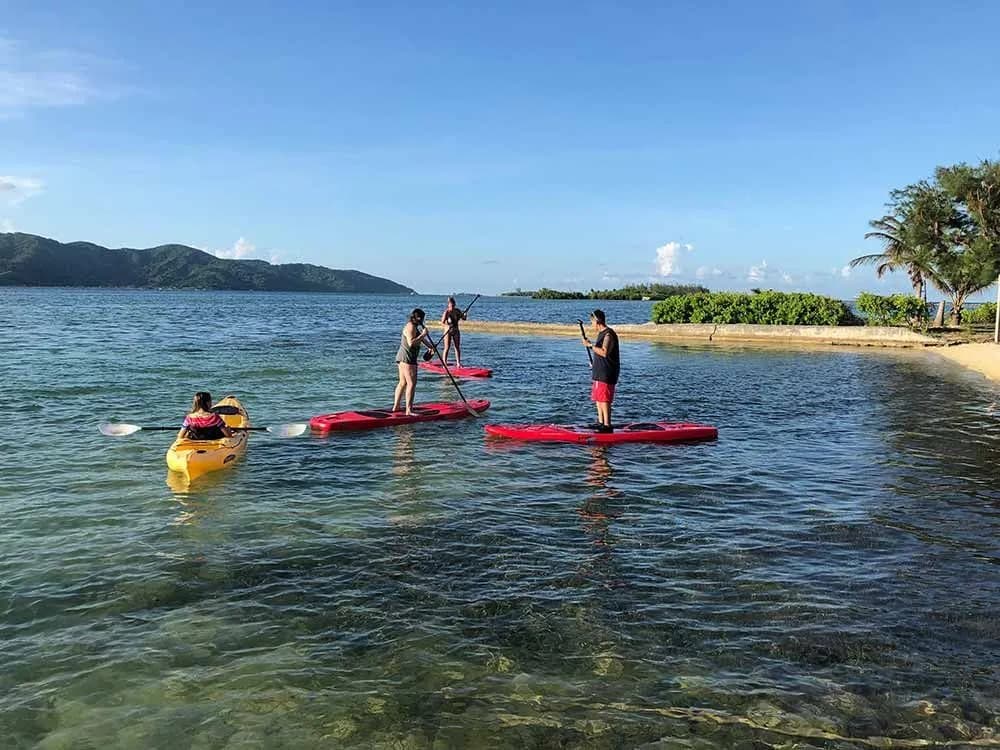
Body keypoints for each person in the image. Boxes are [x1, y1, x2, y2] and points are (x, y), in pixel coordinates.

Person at [581, 309, 619, 432]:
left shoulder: (609, 334)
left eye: (592, 322)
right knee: (598, 398)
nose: (591, 325)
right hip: (599, 371)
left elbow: (604, 352)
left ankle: (607, 425)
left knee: (604, 399)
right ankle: (601, 422)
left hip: (607, 373)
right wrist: (595, 364)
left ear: (597, 321)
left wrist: (590, 345)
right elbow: (600, 355)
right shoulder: (601, 334)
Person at [393, 308, 434, 415]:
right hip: (408, 359)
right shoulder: (411, 327)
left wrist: (431, 347)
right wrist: (423, 335)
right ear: (417, 318)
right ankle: (409, 410)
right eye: (422, 319)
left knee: (402, 383)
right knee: (411, 383)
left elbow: (421, 340)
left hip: (402, 358)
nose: (423, 322)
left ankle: (396, 407)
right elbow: (411, 343)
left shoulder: (414, 326)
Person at [439, 296, 467, 368]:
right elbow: (442, 322)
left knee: (457, 347)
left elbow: (463, 318)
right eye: (451, 305)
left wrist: (465, 315)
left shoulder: (457, 311)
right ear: (448, 305)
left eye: (453, 304)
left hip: (456, 330)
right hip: (448, 331)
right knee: (447, 347)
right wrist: (447, 325)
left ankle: (458, 363)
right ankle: (444, 363)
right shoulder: (446, 312)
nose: (452, 306)